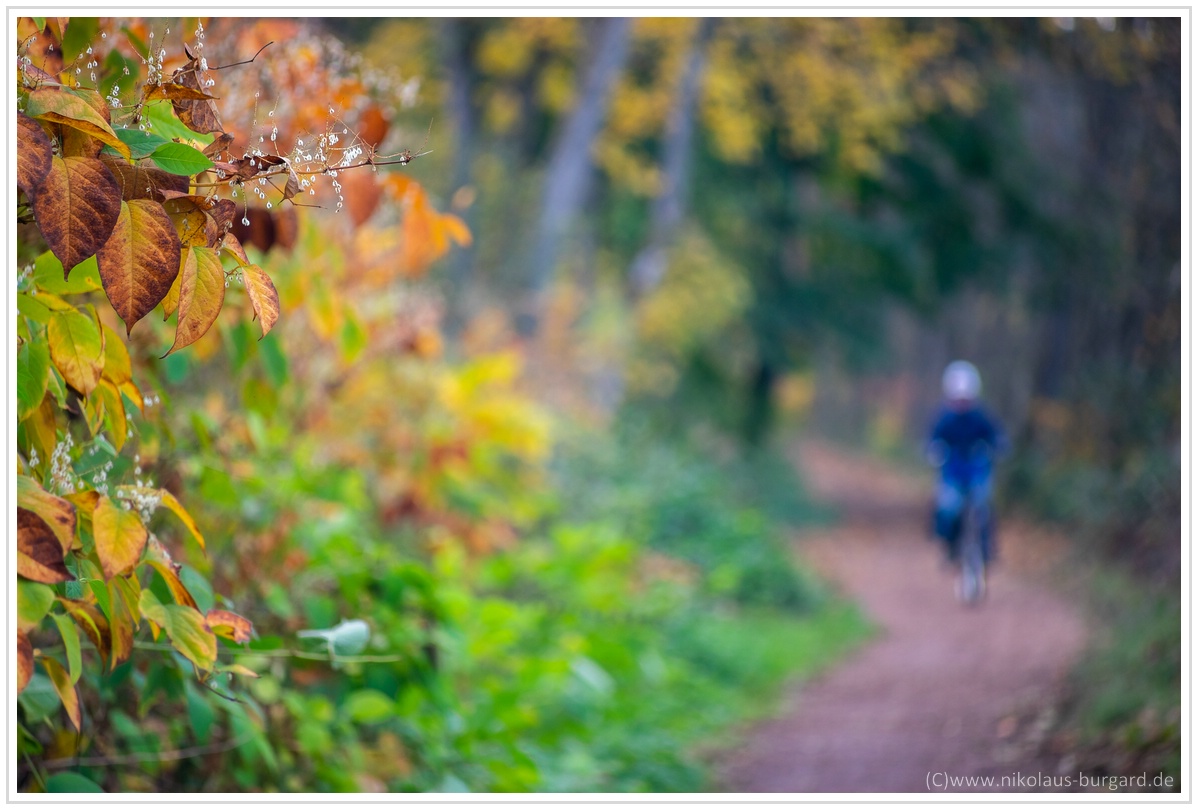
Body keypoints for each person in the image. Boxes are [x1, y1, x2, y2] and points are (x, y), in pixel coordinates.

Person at [925, 360, 1006, 566]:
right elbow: (933, 439)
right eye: (958, 398)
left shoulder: (980, 416)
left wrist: (998, 446)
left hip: (977, 470)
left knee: (983, 506)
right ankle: (951, 547)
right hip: (952, 471)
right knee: (948, 508)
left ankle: (987, 549)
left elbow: (995, 435)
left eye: (965, 398)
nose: (962, 402)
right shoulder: (945, 418)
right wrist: (934, 451)